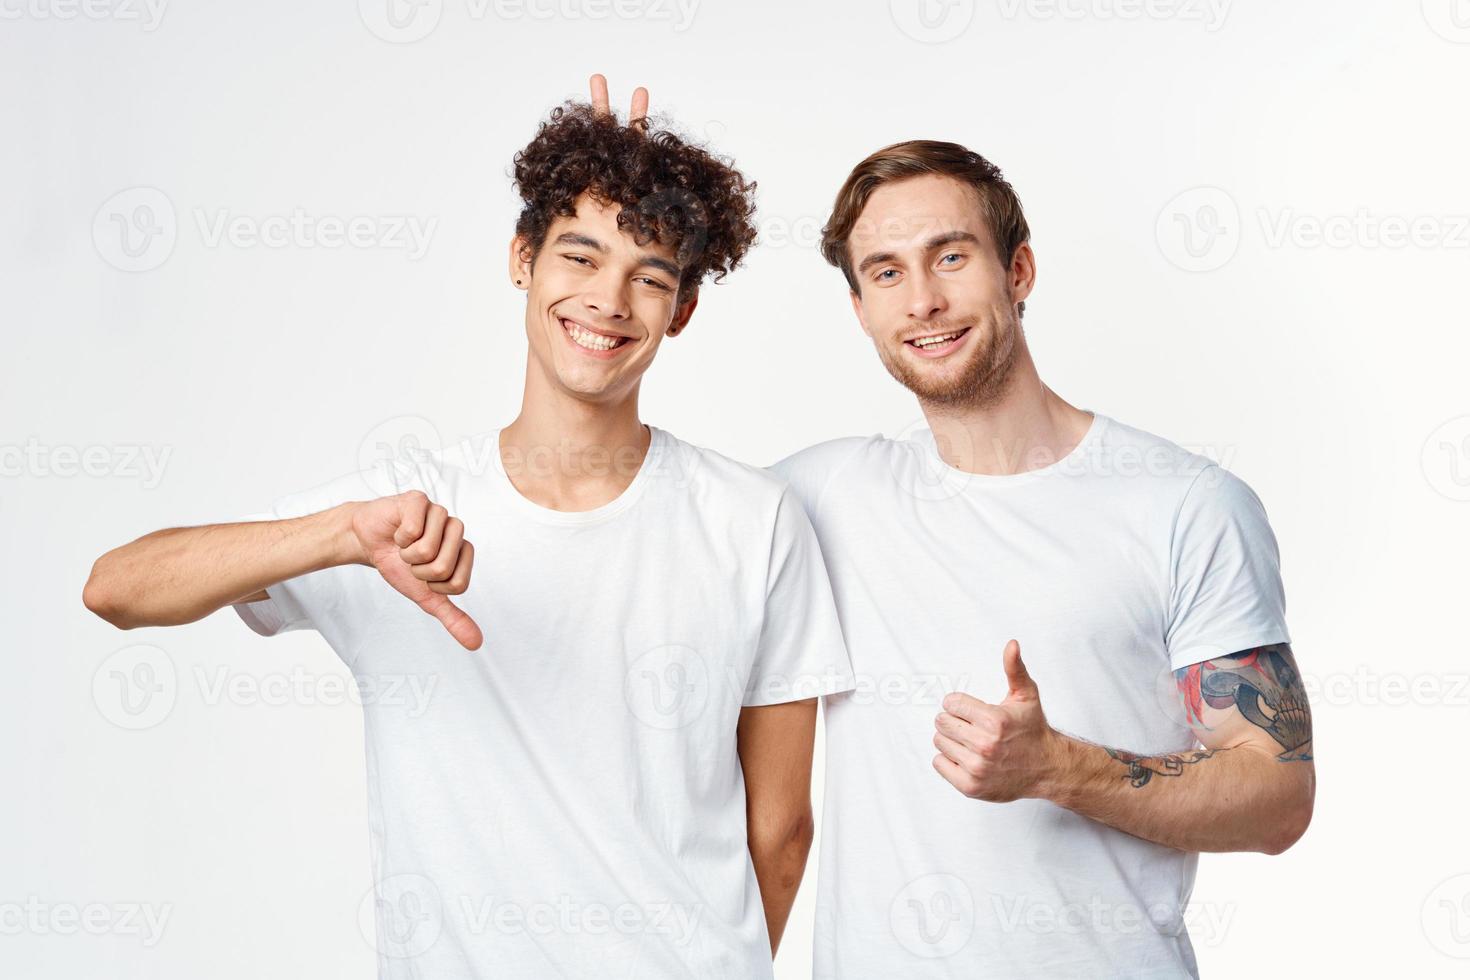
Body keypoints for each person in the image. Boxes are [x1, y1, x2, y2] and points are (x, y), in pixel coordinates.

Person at [82, 77, 853, 979]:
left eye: (650, 274)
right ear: (521, 257)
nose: (609, 300)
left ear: (680, 310)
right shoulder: (392, 513)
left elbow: (785, 829)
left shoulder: (755, 521)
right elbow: (116, 589)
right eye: (579, 255)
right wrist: (335, 536)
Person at [772, 141, 1314, 978]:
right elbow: (629, 521)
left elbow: (1276, 797)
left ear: (1018, 270)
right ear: (859, 310)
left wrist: (1061, 767)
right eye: (885, 273)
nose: (923, 300)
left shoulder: (1186, 504)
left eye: (950, 257)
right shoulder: (821, 497)